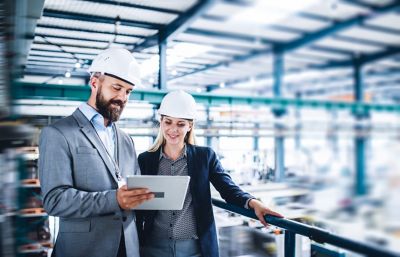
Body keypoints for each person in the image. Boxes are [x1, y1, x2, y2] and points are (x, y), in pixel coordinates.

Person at [135, 90, 283, 257]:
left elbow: (228, 188)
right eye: (168, 122)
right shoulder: (146, 159)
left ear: (190, 125)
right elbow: (138, 201)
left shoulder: (205, 157)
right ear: (161, 122)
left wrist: (253, 203)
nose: (173, 129)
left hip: (194, 249)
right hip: (152, 247)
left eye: (181, 124)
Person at [38, 48, 154, 257]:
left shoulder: (126, 140)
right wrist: (114, 200)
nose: (122, 97)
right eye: (117, 88)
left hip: (128, 248)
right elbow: (54, 200)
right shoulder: (57, 133)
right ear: (94, 83)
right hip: (85, 249)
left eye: (128, 91)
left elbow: (132, 187)